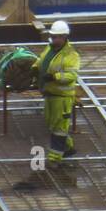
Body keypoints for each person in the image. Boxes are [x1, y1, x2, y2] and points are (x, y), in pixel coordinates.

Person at [35, 21, 81, 165]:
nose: (54, 39)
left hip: (62, 97)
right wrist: (34, 68)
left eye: (57, 37)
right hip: (49, 93)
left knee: (59, 128)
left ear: (64, 37)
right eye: (52, 36)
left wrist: (55, 77)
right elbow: (41, 61)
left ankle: (55, 158)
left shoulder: (71, 54)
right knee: (52, 124)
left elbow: (71, 76)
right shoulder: (49, 49)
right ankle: (67, 148)